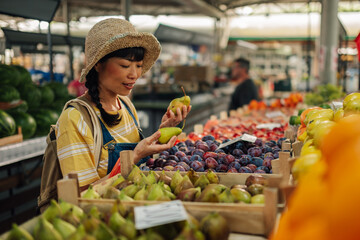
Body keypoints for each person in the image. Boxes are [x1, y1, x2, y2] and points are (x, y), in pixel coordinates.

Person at [55, 18, 191, 191]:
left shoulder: (125, 105)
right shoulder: (75, 119)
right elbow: (80, 195)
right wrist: (135, 156)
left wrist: (162, 130)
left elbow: (137, 169)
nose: (134, 74)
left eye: (139, 65)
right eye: (125, 65)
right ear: (98, 64)